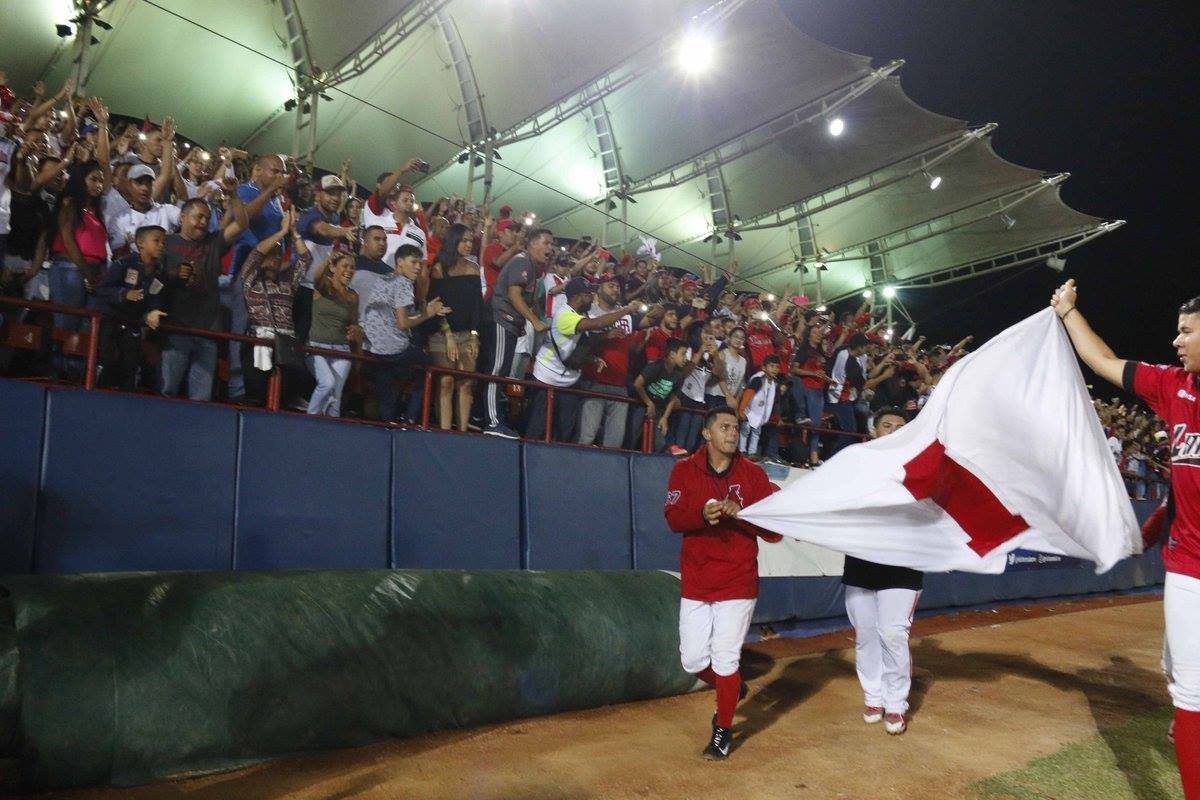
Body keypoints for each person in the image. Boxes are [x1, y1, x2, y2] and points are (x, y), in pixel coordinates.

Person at [1051, 279, 1199, 797]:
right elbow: (1105, 362)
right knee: (1188, 689)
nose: (1176, 341)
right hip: (1190, 568)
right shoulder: (1171, 384)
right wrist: (1069, 313)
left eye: (1186, 332)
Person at [663, 405, 782, 760]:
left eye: (736, 427)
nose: (733, 432)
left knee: (726, 658)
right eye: (726, 427)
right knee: (693, 659)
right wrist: (702, 513)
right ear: (707, 433)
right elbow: (673, 519)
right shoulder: (684, 470)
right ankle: (732, 689)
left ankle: (722, 730)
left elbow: (774, 532)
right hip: (698, 579)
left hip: (737, 579)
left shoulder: (754, 474)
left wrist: (741, 515)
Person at [840, 407, 924, 736]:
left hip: (903, 565)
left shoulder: (921, 466)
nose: (892, 430)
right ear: (874, 431)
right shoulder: (855, 463)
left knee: (892, 633)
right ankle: (873, 697)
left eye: (899, 426)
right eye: (886, 425)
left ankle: (896, 703)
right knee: (866, 636)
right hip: (861, 562)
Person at [525, 276, 640, 442]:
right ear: (577, 297)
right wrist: (625, 310)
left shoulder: (581, 313)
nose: (592, 297)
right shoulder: (564, 315)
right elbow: (596, 324)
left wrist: (595, 353)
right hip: (547, 377)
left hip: (569, 380)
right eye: (588, 294)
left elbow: (583, 342)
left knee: (565, 430)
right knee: (538, 427)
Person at [475, 227, 553, 438]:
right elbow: (514, 294)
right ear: (532, 243)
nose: (550, 248)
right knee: (497, 371)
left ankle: (485, 417)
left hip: (509, 322)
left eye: (551, 244)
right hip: (502, 318)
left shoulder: (531, 266)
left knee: (499, 371)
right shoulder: (522, 261)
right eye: (546, 243)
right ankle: (492, 422)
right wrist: (534, 321)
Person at [362, 243, 447, 423]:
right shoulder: (403, 283)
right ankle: (410, 419)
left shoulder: (383, 279)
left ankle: (389, 424)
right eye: (414, 262)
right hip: (393, 348)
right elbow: (403, 323)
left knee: (388, 392)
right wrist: (428, 313)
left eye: (420, 263)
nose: (418, 267)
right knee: (428, 369)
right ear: (399, 262)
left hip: (372, 347)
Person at [239, 208, 310, 406]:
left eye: (278, 256)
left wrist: (294, 232)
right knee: (257, 393)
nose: (275, 259)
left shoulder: (287, 284)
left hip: (286, 342)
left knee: (285, 395)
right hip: (259, 339)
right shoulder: (250, 281)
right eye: (271, 256)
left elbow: (305, 260)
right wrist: (280, 233)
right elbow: (256, 254)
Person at [91, 225, 168, 389]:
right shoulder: (124, 263)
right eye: (156, 241)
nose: (162, 245)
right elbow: (102, 289)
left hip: (133, 324)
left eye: (164, 242)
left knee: (130, 365)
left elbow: (155, 296)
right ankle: (97, 393)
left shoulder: (159, 273)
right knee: (108, 360)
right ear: (140, 242)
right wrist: (124, 294)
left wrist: (152, 312)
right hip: (110, 320)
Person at [428, 223, 484, 431]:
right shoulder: (438, 268)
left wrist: (474, 334)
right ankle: (443, 432)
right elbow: (435, 304)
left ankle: (461, 433)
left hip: (467, 334)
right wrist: (448, 334)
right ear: (454, 241)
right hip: (442, 334)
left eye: (471, 241)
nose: (469, 244)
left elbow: (477, 306)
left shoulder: (473, 268)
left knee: (466, 383)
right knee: (446, 382)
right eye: (464, 240)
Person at [306, 252, 361, 417]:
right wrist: (328, 259)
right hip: (316, 346)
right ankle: (309, 420)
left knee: (336, 398)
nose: (349, 270)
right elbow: (316, 277)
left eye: (352, 267)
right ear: (333, 268)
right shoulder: (323, 286)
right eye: (345, 266)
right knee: (327, 383)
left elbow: (352, 321)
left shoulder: (353, 296)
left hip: (342, 349)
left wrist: (356, 329)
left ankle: (330, 433)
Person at [633, 339, 690, 452]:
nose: (686, 358)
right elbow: (637, 384)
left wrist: (665, 417)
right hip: (640, 404)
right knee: (633, 436)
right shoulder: (656, 366)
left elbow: (672, 398)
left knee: (660, 442)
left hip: (659, 409)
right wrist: (648, 403)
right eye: (683, 354)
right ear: (672, 354)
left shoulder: (679, 375)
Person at [737, 354, 781, 458]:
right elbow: (748, 394)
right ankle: (741, 450)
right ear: (764, 367)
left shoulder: (776, 384)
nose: (774, 369)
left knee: (756, 433)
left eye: (777, 367)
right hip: (749, 410)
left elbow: (776, 401)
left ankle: (752, 452)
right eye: (771, 366)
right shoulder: (758, 379)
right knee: (745, 430)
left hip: (760, 413)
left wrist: (777, 417)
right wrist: (742, 410)